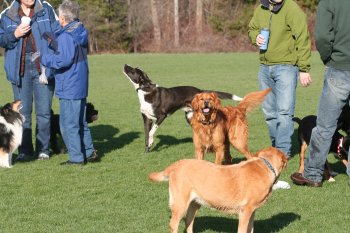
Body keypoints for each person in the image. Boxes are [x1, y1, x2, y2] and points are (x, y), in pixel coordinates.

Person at [291, 0, 350, 187]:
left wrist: (327, 58)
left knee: (324, 125)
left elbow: (323, 35)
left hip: (340, 66)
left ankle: (313, 174)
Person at [248, 0, 312, 158]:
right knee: (269, 112)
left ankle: (283, 152)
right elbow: (252, 29)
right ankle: (275, 147)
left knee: (284, 112)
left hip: (286, 68)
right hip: (264, 68)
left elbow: (303, 39)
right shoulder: (261, 8)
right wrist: (255, 37)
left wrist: (304, 69)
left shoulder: (292, 9)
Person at [0, 0, 60, 161]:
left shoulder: (46, 9)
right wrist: (15, 34)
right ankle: (25, 151)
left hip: (43, 66)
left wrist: (52, 54)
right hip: (19, 69)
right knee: (22, 114)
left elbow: (58, 32)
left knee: (44, 112)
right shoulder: (6, 15)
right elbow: (1, 39)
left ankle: (43, 150)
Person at [40, 0, 97, 165]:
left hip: (69, 84)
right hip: (80, 82)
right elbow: (71, 50)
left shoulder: (65, 35)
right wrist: (54, 42)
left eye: (59, 15)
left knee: (67, 124)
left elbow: (63, 60)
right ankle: (89, 152)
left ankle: (77, 158)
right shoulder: (78, 29)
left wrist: (45, 58)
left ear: (63, 17)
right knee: (80, 121)